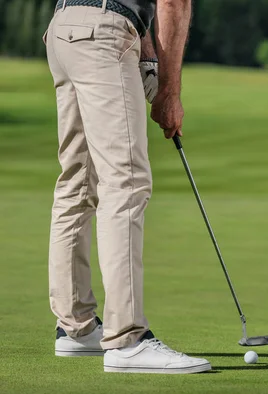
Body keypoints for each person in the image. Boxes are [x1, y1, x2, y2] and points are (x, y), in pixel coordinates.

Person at [45, 0, 211, 373]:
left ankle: (77, 328)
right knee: (127, 182)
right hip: (104, 34)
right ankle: (128, 339)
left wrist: (147, 52)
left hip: (65, 27)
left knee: (77, 182)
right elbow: (174, 3)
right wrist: (169, 90)